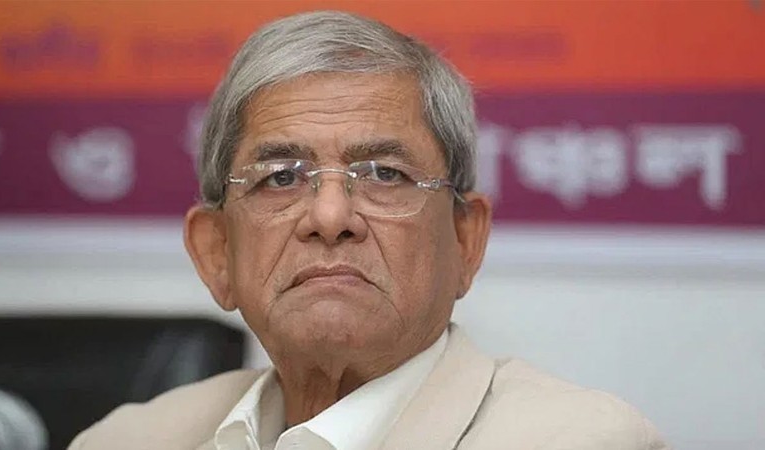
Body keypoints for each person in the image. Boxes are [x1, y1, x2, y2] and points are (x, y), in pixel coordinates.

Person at [70, 10, 668, 450]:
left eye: (385, 173)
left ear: (465, 241)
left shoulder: (584, 441)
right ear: (217, 253)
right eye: (281, 178)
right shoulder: (125, 441)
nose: (330, 218)